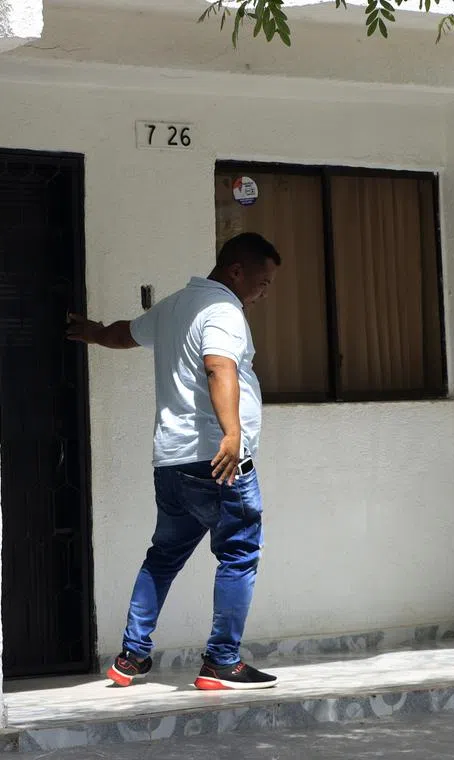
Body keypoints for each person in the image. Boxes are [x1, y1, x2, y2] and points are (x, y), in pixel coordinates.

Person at [67, 232, 281, 691]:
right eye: (262, 282)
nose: (265, 292)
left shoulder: (176, 305)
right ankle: (222, 662)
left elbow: (125, 333)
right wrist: (232, 434)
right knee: (239, 553)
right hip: (217, 460)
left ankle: (131, 657)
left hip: (172, 462)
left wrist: (90, 332)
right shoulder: (223, 311)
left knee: (162, 557)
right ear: (236, 271)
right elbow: (219, 366)